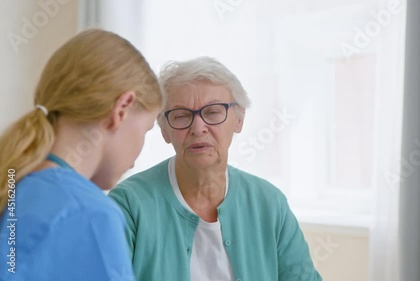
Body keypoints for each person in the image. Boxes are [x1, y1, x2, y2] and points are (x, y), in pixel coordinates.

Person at [108, 56, 322, 281]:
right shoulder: (128, 205)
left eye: (213, 112)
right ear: (164, 130)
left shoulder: (270, 204)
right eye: (181, 116)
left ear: (239, 120)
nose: (198, 128)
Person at [0, 29, 165, 281]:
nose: (136, 157)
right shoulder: (90, 215)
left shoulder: (11, 182)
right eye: (146, 129)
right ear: (122, 109)